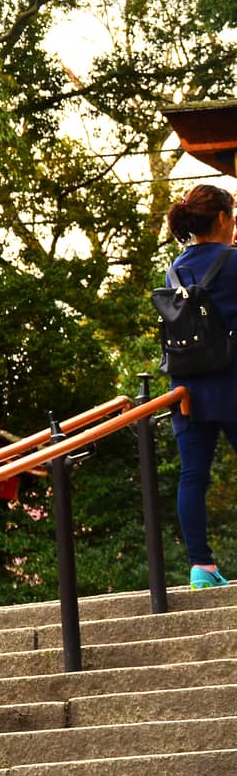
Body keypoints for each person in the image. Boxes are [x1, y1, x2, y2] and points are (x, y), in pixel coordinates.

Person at [164, 184, 237, 589]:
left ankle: (201, 568)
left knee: (193, 474)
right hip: (232, 380)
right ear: (224, 219)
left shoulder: (174, 269)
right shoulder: (234, 261)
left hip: (187, 389)